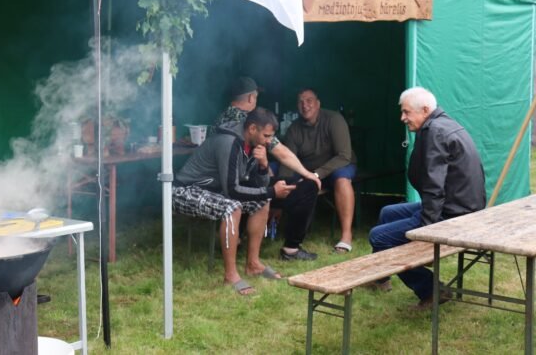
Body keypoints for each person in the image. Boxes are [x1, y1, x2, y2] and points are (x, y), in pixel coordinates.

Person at [173, 108, 320, 296]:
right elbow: (232, 190)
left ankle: (253, 264)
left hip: (213, 190)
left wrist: (263, 166)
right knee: (232, 207)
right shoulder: (229, 142)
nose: (269, 141)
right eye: (266, 135)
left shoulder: (252, 145)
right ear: (252, 128)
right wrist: (272, 191)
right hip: (184, 190)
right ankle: (230, 276)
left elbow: (257, 184)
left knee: (263, 200)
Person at [368, 87, 485, 309]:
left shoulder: (436, 132)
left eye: (406, 112)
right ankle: (381, 276)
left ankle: (432, 290)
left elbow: (434, 185)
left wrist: (426, 230)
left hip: (453, 214)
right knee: (387, 212)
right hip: (458, 205)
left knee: (380, 237)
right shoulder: (441, 124)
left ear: (424, 110)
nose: (402, 118)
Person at [278, 88, 357, 253]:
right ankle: (282, 226)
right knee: (278, 172)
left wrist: (316, 175)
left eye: (309, 101)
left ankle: (346, 236)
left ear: (318, 104)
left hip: (338, 165)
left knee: (341, 178)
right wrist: (283, 185)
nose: (304, 105)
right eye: (300, 102)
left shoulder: (334, 119)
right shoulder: (294, 128)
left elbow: (344, 156)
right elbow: (287, 159)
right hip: (309, 170)